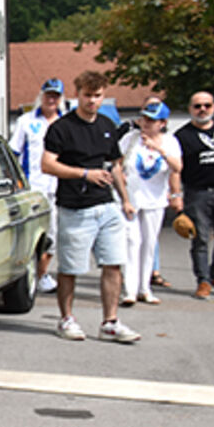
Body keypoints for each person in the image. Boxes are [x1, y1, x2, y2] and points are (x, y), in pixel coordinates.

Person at [40, 70, 139, 342]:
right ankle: (66, 319)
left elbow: (115, 165)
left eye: (97, 96)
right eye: (87, 95)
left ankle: (110, 322)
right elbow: (47, 164)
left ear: (103, 96)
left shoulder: (106, 125)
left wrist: (125, 199)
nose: (92, 101)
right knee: (70, 268)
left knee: (113, 264)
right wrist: (85, 174)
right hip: (75, 207)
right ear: (77, 95)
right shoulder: (62, 128)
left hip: (107, 205)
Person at [9, 77, 69, 292]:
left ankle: (42, 274)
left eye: (55, 96)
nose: (51, 99)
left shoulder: (67, 123)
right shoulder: (26, 121)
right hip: (32, 188)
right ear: (41, 96)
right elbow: (14, 152)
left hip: (60, 189)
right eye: (48, 95)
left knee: (53, 235)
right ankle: (24, 275)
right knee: (30, 234)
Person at [119, 99, 181, 305]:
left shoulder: (170, 141)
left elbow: (177, 167)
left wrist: (159, 149)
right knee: (131, 242)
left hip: (155, 200)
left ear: (162, 123)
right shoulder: (130, 139)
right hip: (131, 199)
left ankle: (144, 288)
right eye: (144, 118)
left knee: (149, 244)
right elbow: (117, 162)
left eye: (152, 120)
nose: (146, 123)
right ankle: (129, 290)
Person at [169, 90, 214, 299]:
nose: (202, 109)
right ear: (190, 109)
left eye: (207, 105)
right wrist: (176, 195)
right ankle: (203, 281)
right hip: (197, 193)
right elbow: (175, 170)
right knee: (200, 239)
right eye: (197, 106)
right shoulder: (182, 136)